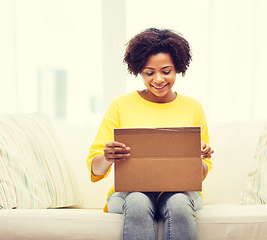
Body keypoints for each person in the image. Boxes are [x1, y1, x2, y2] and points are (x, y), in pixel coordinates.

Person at [87, 28, 214, 240]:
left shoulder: (193, 107)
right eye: (149, 72)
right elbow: (95, 168)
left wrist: (198, 158)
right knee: (138, 200)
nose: (158, 79)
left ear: (178, 69)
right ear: (139, 71)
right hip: (129, 194)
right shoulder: (120, 105)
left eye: (166, 71)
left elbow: (201, 174)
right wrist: (108, 158)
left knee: (179, 203)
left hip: (180, 193)